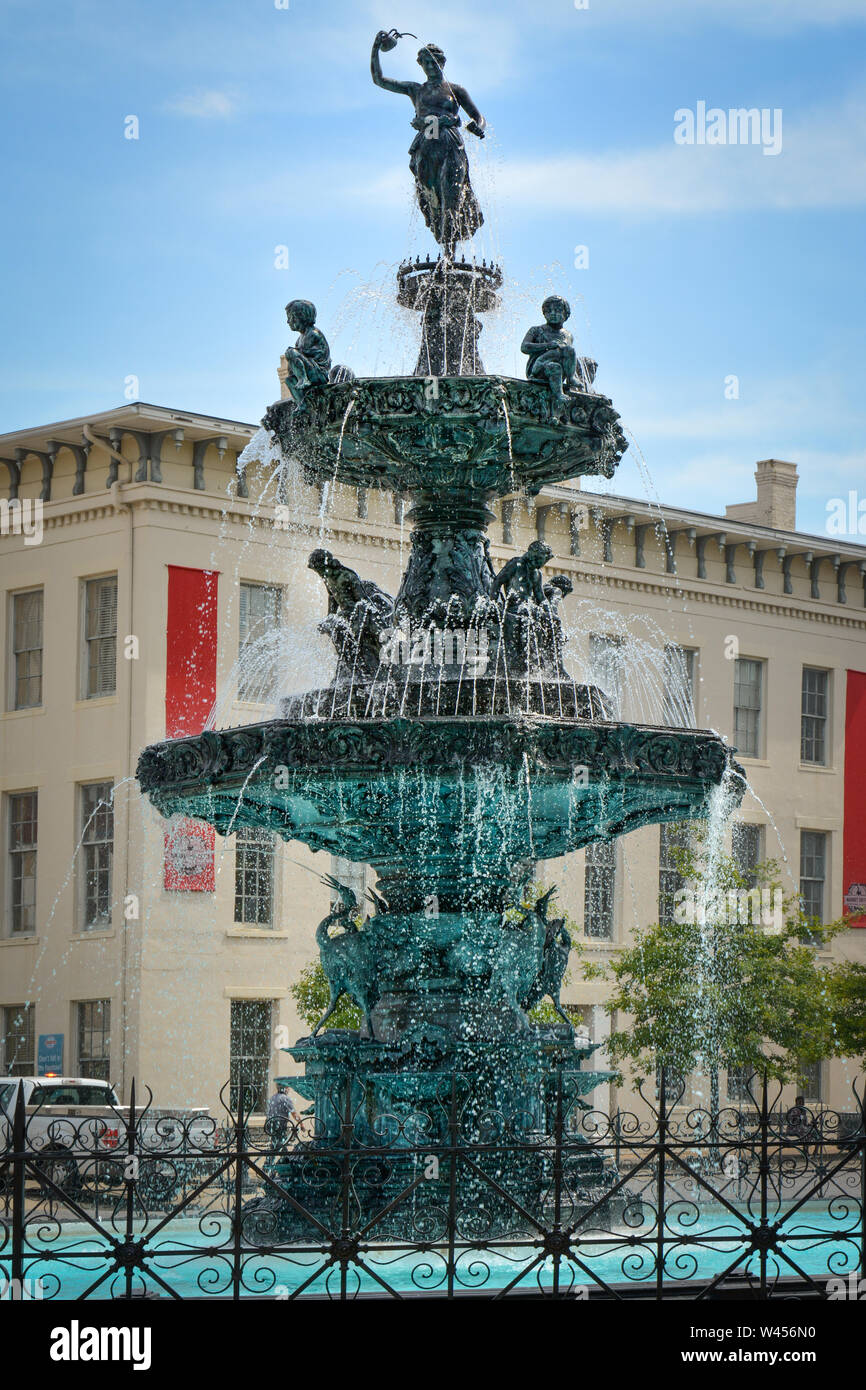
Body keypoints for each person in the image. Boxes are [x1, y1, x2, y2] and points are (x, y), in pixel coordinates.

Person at [371, 32, 486, 255]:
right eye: (425, 63)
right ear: (420, 66)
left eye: (433, 63)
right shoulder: (416, 90)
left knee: (451, 193)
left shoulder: (456, 90)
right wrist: (376, 48)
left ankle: (449, 256)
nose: (430, 67)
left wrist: (478, 126)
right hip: (425, 147)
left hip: (451, 145)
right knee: (432, 199)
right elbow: (380, 80)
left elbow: (478, 117)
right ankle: (446, 247)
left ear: (442, 63)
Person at [265, 1081, 301, 1151]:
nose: (289, 1090)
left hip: (269, 1124)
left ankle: (272, 1159)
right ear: (285, 1088)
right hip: (279, 1124)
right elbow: (294, 1114)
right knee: (280, 1144)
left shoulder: (272, 1097)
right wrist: (302, 1124)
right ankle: (284, 1158)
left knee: (276, 1143)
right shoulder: (285, 1098)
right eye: (288, 1088)